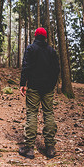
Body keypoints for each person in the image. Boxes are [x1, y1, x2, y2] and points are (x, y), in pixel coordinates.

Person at [18, 27, 60, 159]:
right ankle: (50, 147)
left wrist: (22, 84)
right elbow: (56, 70)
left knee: (32, 113)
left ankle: (29, 148)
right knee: (49, 113)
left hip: (34, 87)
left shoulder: (31, 49)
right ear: (45, 37)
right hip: (48, 88)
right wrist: (52, 84)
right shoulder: (52, 51)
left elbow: (26, 67)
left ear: (35, 36)